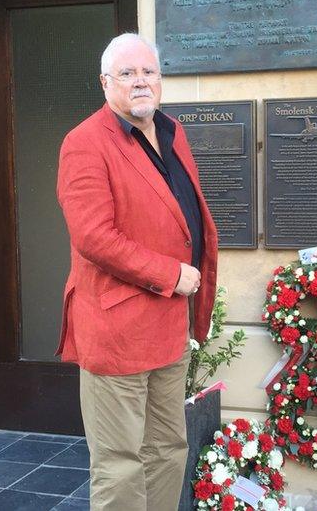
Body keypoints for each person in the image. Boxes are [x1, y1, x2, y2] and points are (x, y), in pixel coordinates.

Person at [55, 33, 218, 510]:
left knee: (169, 449)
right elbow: (93, 237)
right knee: (120, 461)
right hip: (117, 329)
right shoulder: (84, 143)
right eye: (127, 73)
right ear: (106, 83)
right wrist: (172, 274)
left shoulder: (171, 131)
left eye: (149, 72)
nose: (140, 81)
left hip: (168, 325)